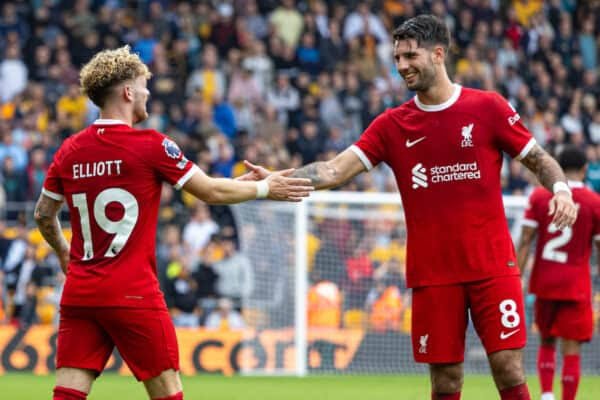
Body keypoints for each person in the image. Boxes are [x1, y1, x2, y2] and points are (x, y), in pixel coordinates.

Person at [245, 15, 578, 400]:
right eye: (397, 57)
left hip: (491, 265)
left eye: (410, 55)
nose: (401, 65)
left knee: (507, 367)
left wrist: (562, 190)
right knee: (446, 380)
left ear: (438, 54)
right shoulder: (392, 125)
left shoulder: (487, 107)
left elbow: (539, 158)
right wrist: (274, 180)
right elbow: (334, 170)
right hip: (433, 273)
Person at [33, 46, 313, 400]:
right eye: (143, 84)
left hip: (81, 292)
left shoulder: (68, 150)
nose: (149, 91)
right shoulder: (150, 144)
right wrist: (264, 187)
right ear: (128, 92)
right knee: (167, 391)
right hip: (133, 291)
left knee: (68, 392)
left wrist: (63, 252)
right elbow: (209, 191)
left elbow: (43, 215)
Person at [516, 146, 600, 400]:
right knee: (571, 347)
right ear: (585, 169)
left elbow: (526, 239)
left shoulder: (540, 196)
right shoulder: (594, 202)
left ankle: (546, 395)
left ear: (558, 168)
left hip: (545, 280)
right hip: (576, 284)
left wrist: (516, 278)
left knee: (546, 340)